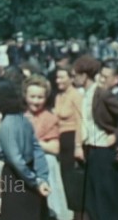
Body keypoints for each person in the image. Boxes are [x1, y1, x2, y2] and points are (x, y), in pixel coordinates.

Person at [0, 76, 50, 220]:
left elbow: (15, 159)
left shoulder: (7, 123)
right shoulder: (22, 118)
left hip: (15, 178)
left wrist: (35, 181)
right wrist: (42, 177)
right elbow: (37, 149)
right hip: (29, 173)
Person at [73, 54, 118, 220]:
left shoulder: (101, 94)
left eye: (75, 75)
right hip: (90, 150)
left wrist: (115, 135)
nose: (74, 78)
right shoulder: (84, 94)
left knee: (105, 199)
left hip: (103, 150)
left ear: (84, 75)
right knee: (91, 200)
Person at [23, 74, 72, 220]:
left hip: (43, 166)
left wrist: (32, 143)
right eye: (32, 96)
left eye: (40, 97)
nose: (36, 101)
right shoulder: (20, 116)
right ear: (25, 96)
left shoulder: (49, 118)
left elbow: (54, 148)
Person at [51, 64, 84, 215]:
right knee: (63, 181)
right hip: (61, 141)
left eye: (62, 77)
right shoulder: (58, 96)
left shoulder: (76, 95)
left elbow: (80, 121)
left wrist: (78, 145)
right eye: (57, 77)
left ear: (71, 78)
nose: (58, 80)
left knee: (73, 182)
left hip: (72, 140)